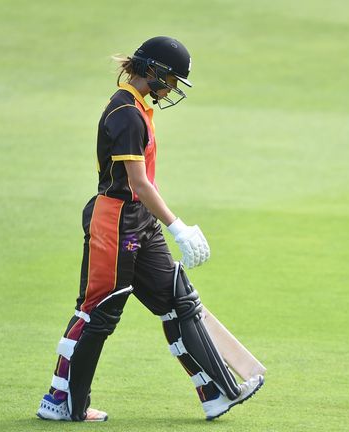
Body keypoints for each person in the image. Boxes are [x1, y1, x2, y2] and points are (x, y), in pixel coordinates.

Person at [35, 36, 264, 422]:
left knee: (178, 300)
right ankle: (61, 401)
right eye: (170, 79)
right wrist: (178, 227)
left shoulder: (138, 109)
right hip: (115, 219)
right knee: (99, 312)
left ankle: (217, 393)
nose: (172, 88)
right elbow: (138, 183)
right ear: (152, 70)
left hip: (140, 221)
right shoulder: (124, 112)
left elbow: (144, 189)